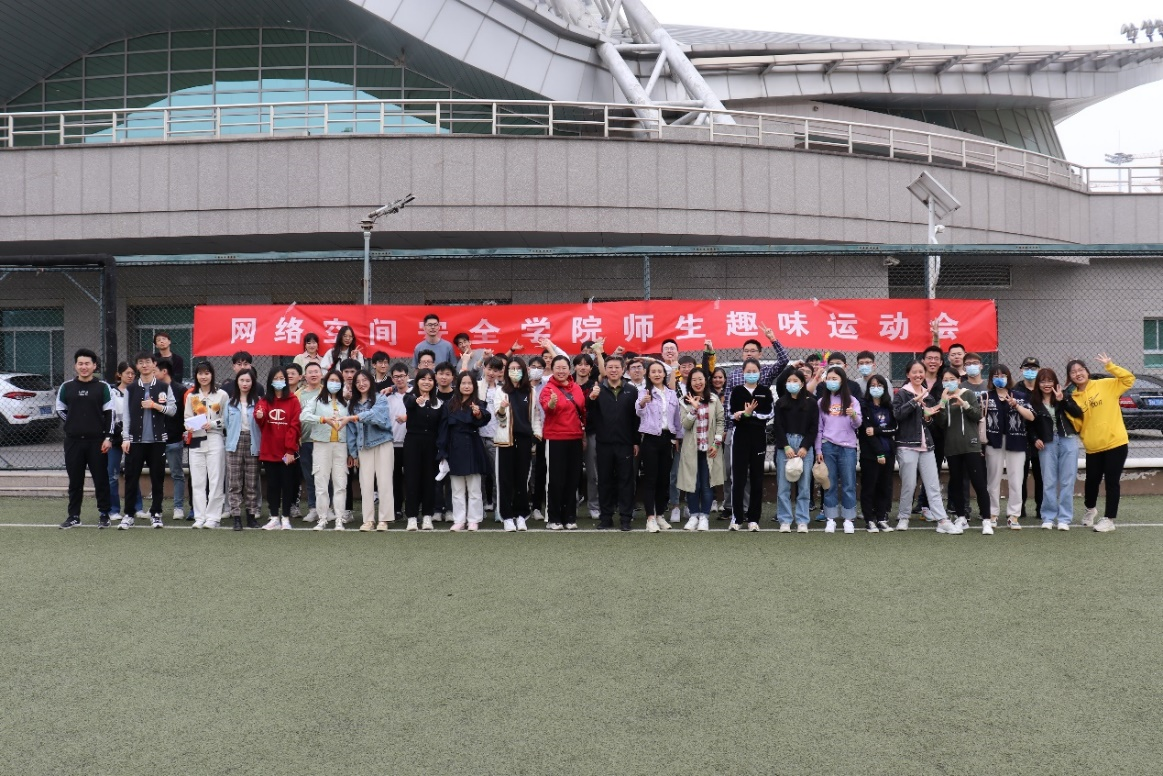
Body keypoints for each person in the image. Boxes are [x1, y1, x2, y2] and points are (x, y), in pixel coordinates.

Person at [891, 360, 962, 534]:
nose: (918, 375)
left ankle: (942, 520)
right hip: (907, 445)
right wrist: (914, 401)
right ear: (908, 375)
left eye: (920, 372)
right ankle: (904, 517)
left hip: (927, 445)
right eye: (914, 372)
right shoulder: (902, 393)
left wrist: (929, 417)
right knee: (909, 484)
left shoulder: (928, 395)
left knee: (933, 484)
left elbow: (929, 423)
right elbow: (897, 415)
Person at [1067, 354, 1134, 533]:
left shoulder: (1106, 384)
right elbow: (1077, 425)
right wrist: (1064, 405)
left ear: (1087, 371)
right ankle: (1090, 509)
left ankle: (1109, 519)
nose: (1078, 374)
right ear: (1070, 377)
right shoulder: (1073, 398)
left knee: (1112, 481)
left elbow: (1128, 379)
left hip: (1116, 443)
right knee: (1091, 481)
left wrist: (1110, 366)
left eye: (1081, 370)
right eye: (1073, 372)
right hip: (1093, 447)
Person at [119, 352, 177, 530]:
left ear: (154, 364)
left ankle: (156, 513)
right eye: (140, 362)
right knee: (131, 478)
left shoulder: (163, 386)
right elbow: (126, 415)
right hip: (135, 441)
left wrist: (155, 405)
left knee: (157, 478)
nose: (144, 365)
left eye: (147, 362)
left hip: (157, 441)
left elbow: (173, 410)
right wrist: (126, 438)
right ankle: (129, 514)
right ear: (137, 366)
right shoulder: (131, 389)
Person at [56, 348, 114, 529]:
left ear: (94, 366)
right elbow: (60, 409)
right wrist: (73, 423)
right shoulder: (66, 387)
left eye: (87, 363)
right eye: (80, 363)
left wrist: (108, 437)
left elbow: (110, 414)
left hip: (97, 442)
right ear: (75, 366)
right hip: (73, 442)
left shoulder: (103, 387)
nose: (84, 367)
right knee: (75, 481)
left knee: (101, 479)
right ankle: (73, 516)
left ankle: (104, 514)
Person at [587, 355, 640, 531]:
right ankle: (606, 517)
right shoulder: (597, 390)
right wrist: (591, 399)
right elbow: (589, 415)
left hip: (625, 443)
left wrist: (635, 441)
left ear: (623, 369)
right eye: (610, 367)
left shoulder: (631, 390)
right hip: (604, 443)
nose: (613, 370)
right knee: (604, 481)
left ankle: (626, 518)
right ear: (605, 369)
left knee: (626, 481)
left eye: (617, 367)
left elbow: (635, 418)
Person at [983, 365, 1036, 533]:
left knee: (1016, 479)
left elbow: (1031, 416)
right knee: (993, 479)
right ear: (991, 379)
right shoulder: (985, 397)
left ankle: (1013, 515)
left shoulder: (1020, 396)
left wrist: (1016, 406)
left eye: (1003, 375)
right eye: (996, 376)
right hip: (993, 441)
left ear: (1008, 377)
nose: (999, 378)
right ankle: (992, 513)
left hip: (1017, 440)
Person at [438, 372, 492, 531]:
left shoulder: (478, 403)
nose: (466, 386)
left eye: (469, 383)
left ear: (474, 386)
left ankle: (474, 519)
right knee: (457, 488)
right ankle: (459, 519)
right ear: (458, 385)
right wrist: (442, 451)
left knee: (474, 487)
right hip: (454, 447)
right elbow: (443, 429)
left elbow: (483, 418)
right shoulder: (449, 404)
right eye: (463, 383)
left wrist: (477, 414)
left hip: (473, 446)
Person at [1030, 368, 1083, 531]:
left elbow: (1078, 413)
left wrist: (1063, 400)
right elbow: (1029, 424)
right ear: (1038, 384)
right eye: (1043, 381)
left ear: (1055, 382)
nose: (1046, 384)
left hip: (1068, 440)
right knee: (1049, 481)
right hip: (1047, 443)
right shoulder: (1033, 401)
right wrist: (1035, 439)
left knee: (1067, 480)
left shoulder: (1064, 395)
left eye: (1050, 381)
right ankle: (1048, 517)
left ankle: (1064, 518)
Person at [495, 357, 543, 532]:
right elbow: (499, 418)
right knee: (505, 480)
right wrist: (502, 408)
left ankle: (521, 515)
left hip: (524, 440)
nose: (515, 372)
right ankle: (507, 517)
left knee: (523, 479)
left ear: (524, 371)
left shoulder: (531, 391)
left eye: (518, 368)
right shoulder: (501, 391)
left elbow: (536, 416)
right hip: (505, 440)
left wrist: (536, 435)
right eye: (511, 368)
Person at [539, 354, 586, 531]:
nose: (561, 371)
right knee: (556, 480)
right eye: (557, 368)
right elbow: (547, 409)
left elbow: (583, 411)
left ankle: (570, 517)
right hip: (555, 438)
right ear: (552, 369)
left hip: (575, 438)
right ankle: (554, 518)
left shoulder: (577, 388)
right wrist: (552, 403)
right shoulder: (548, 389)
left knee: (573, 479)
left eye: (564, 368)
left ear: (569, 369)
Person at [939, 366, 988, 532]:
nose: (949, 383)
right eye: (945, 380)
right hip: (952, 448)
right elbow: (941, 423)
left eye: (952, 379)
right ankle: (961, 517)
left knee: (979, 482)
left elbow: (977, 415)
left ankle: (986, 520)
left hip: (971, 446)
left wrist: (964, 404)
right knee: (957, 484)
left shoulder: (968, 394)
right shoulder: (943, 398)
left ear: (959, 380)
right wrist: (943, 402)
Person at [345, 369, 396, 532]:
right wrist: (353, 452)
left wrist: (356, 417)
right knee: (365, 483)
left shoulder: (380, 398)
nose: (361, 384)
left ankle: (384, 519)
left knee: (384, 482)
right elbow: (351, 431)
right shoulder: (352, 405)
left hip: (383, 443)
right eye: (358, 382)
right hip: (363, 446)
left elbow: (378, 418)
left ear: (371, 381)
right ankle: (368, 520)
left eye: (364, 380)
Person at [728, 359, 774, 532]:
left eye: (755, 371)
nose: (752, 374)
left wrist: (751, 414)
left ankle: (754, 519)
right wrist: (742, 414)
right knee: (738, 479)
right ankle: (737, 519)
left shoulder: (765, 391)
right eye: (748, 371)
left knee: (757, 478)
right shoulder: (737, 391)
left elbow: (769, 413)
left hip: (758, 437)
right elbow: (731, 414)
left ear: (759, 372)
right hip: (740, 437)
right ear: (743, 372)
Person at [636, 361, 682, 533]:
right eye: (653, 371)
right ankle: (650, 518)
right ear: (648, 375)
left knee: (664, 479)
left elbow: (676, 418)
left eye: (659, 371)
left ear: (664, 374)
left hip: (667, 439)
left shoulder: (671, 394)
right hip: (650, 439)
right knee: (651, 479)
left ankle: (660, 515)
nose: (656, 374)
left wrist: (678, 437)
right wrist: (643, 403)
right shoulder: (644, 392)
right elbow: (638, 411)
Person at [301, 369, 349, 531]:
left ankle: (339, 519)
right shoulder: (317, 400)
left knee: (340, 483)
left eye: (337, 381)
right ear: (326, 382)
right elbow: (303, 416)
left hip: (341, 445)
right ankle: (322, 518)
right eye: (331, 380)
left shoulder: (345, 403)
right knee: (320, 483)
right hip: (321, 444)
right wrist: (322, 419)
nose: (334, 384)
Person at [254, 366, 301, 531]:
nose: (279, 381)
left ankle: (286, 517)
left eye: (282, 378)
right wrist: (259, 416)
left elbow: (295, 425)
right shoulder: (264, 401)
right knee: (272, 485)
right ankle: (274, 517)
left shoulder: (293, 401)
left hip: (287, 452)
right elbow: (259, 416)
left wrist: (290, 450)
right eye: (276, 378)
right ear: (270, 381)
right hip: (269, 450)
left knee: (287, 484)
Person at [771, 365, 817, 532]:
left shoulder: (811, 403)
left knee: (804, 486)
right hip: (786, 445)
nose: (792, 383)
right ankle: (785, 520)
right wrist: (786, 446)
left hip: (805, 445)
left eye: (795, 380)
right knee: (783, 486)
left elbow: (814, 427)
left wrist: (805, 446)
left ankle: (802, 520)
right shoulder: (781, 403)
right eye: (789, 381)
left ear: (802, 383)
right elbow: (778, 427)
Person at [816, 365, 861, 534]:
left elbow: (858, 424)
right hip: (828, 446)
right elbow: (819, 428)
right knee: (830, 483)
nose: (831, 382)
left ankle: (848, 519)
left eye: (835, 378)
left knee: (849, 483)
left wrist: (853, 415)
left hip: (848, 447)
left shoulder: (852, 401)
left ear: (842, 381)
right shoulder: (822, 402)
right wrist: (818, 449)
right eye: (829, 379)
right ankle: (831, 518)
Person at [677, 367, 723, 532]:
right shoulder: (684, 400)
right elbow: (685, 424)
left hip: (709, 450)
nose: (698, 382)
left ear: (705, 381)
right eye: (694, 380)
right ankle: (693, 515)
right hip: (691, 450)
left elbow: (720, 421)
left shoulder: (713, 399)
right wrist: (694, 409)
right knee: (692, 484)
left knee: (706, 485)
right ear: (690, 383)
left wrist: (716, 443)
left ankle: (704, 517)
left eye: (700, 379)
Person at [184, 361, 228, 530]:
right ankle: (199, 516)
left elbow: (226, 419)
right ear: (196, 376)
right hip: (196, 440)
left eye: (206, 373)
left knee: (216, 480)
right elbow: (187, 418)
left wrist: (214, 424)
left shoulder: (221, 395)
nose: (203, 376)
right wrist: (188, 426)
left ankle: (213, 517)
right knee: (197, 481)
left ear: (212, 374)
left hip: (215, 439)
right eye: (200, 373)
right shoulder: (192, 396)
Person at [402, 369, 442, 530]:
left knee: (429, 480)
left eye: (430, 379)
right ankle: (412, 517)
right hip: (413, 443)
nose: (427, 382)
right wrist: (416, 400)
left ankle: (427, 516)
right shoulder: (410, 397)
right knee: (412, 480)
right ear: (417, 381)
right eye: (423, 379)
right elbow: (408, 403)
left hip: (431, 444)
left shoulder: (438, 403)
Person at [223, 367, 262, 530]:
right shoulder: (230, 402)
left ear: (252, 383)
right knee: (234, 482)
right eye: (242, 380)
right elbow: (226, 424)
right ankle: (236, 516)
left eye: (248, 380)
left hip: (253, 442)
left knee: (251, 482)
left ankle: (251, 515)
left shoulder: (259, 402)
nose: (245, 383)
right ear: (237, 382)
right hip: (234, 443)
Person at [858, 374, 896, 533]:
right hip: (870, 455)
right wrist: (879, 453)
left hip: (889, 453)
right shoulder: (863, 407)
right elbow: (866, 432)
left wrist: (877, 430)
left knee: (884, 486)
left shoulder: (889, 407)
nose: (876, 388)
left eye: (879, 385)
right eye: (873, 385)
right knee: (869, 487)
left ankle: (881, 518)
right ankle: (869, 520)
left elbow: (894, 429)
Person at [106, 361, 143, 522]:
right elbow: (109, 414)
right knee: (112, 475)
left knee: (133, 473)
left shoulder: (138, 391)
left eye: (133, 373)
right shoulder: (111, 392)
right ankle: (113, 510)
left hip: (133, 437)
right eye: (127, 373)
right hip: (115, 438)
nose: (130, 376)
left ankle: (138, 507)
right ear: (119, 374)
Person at [914, 344, 947, 519]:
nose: (932, 361)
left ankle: (926, 505)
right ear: (923, 360)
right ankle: (907, 507)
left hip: (938, 434)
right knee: (913, 472)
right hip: (916, 433)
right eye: (929, 358)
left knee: (933, 471)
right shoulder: (915, 380)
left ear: (941, 362)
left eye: (936, 359)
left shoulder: (945, 382)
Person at [155, 358, 188, 521]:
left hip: (174, 439)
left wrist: (183, 431)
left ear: (164, 371)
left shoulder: (181, 390)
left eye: (155, 370)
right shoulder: (153, 388)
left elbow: (184, 414)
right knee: (157, 475)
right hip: (156, 440)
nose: (152, 373)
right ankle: (156, 508)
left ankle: (178, 507)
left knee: (177, 474)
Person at [1013, 357, 1043, 520]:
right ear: (1021, 370)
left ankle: (1041, 508)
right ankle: (1020, 507)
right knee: (1020, 476)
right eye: (1027, 368)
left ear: (1039, 370)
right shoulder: (1015, 390)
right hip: (1021, 437)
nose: (1030, 371)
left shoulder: (1042, 388)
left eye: (1034, 368)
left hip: (1039, 440)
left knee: (1040, 475)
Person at [295, 362, 324, 522]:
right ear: (305, 376)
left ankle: (327, 508)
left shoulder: (326, 392)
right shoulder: (298, 395)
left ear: (321, 374)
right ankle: (313, 508)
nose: (313, 374)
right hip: (305, 441)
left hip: (324, 441)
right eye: (310, 372)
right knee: (310, 476)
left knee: (325, 476)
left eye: (316, 371)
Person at [383, 362, 411, 521]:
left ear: (408, 376)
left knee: (411, 477)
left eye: (402, 376)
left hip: (410, 443)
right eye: (396, 377)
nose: (399, 379)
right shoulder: (387, 397)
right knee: (394, 478)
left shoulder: (415, 395)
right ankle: (396, 508)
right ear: (392, 379)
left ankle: (412, 508)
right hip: (392, 443)